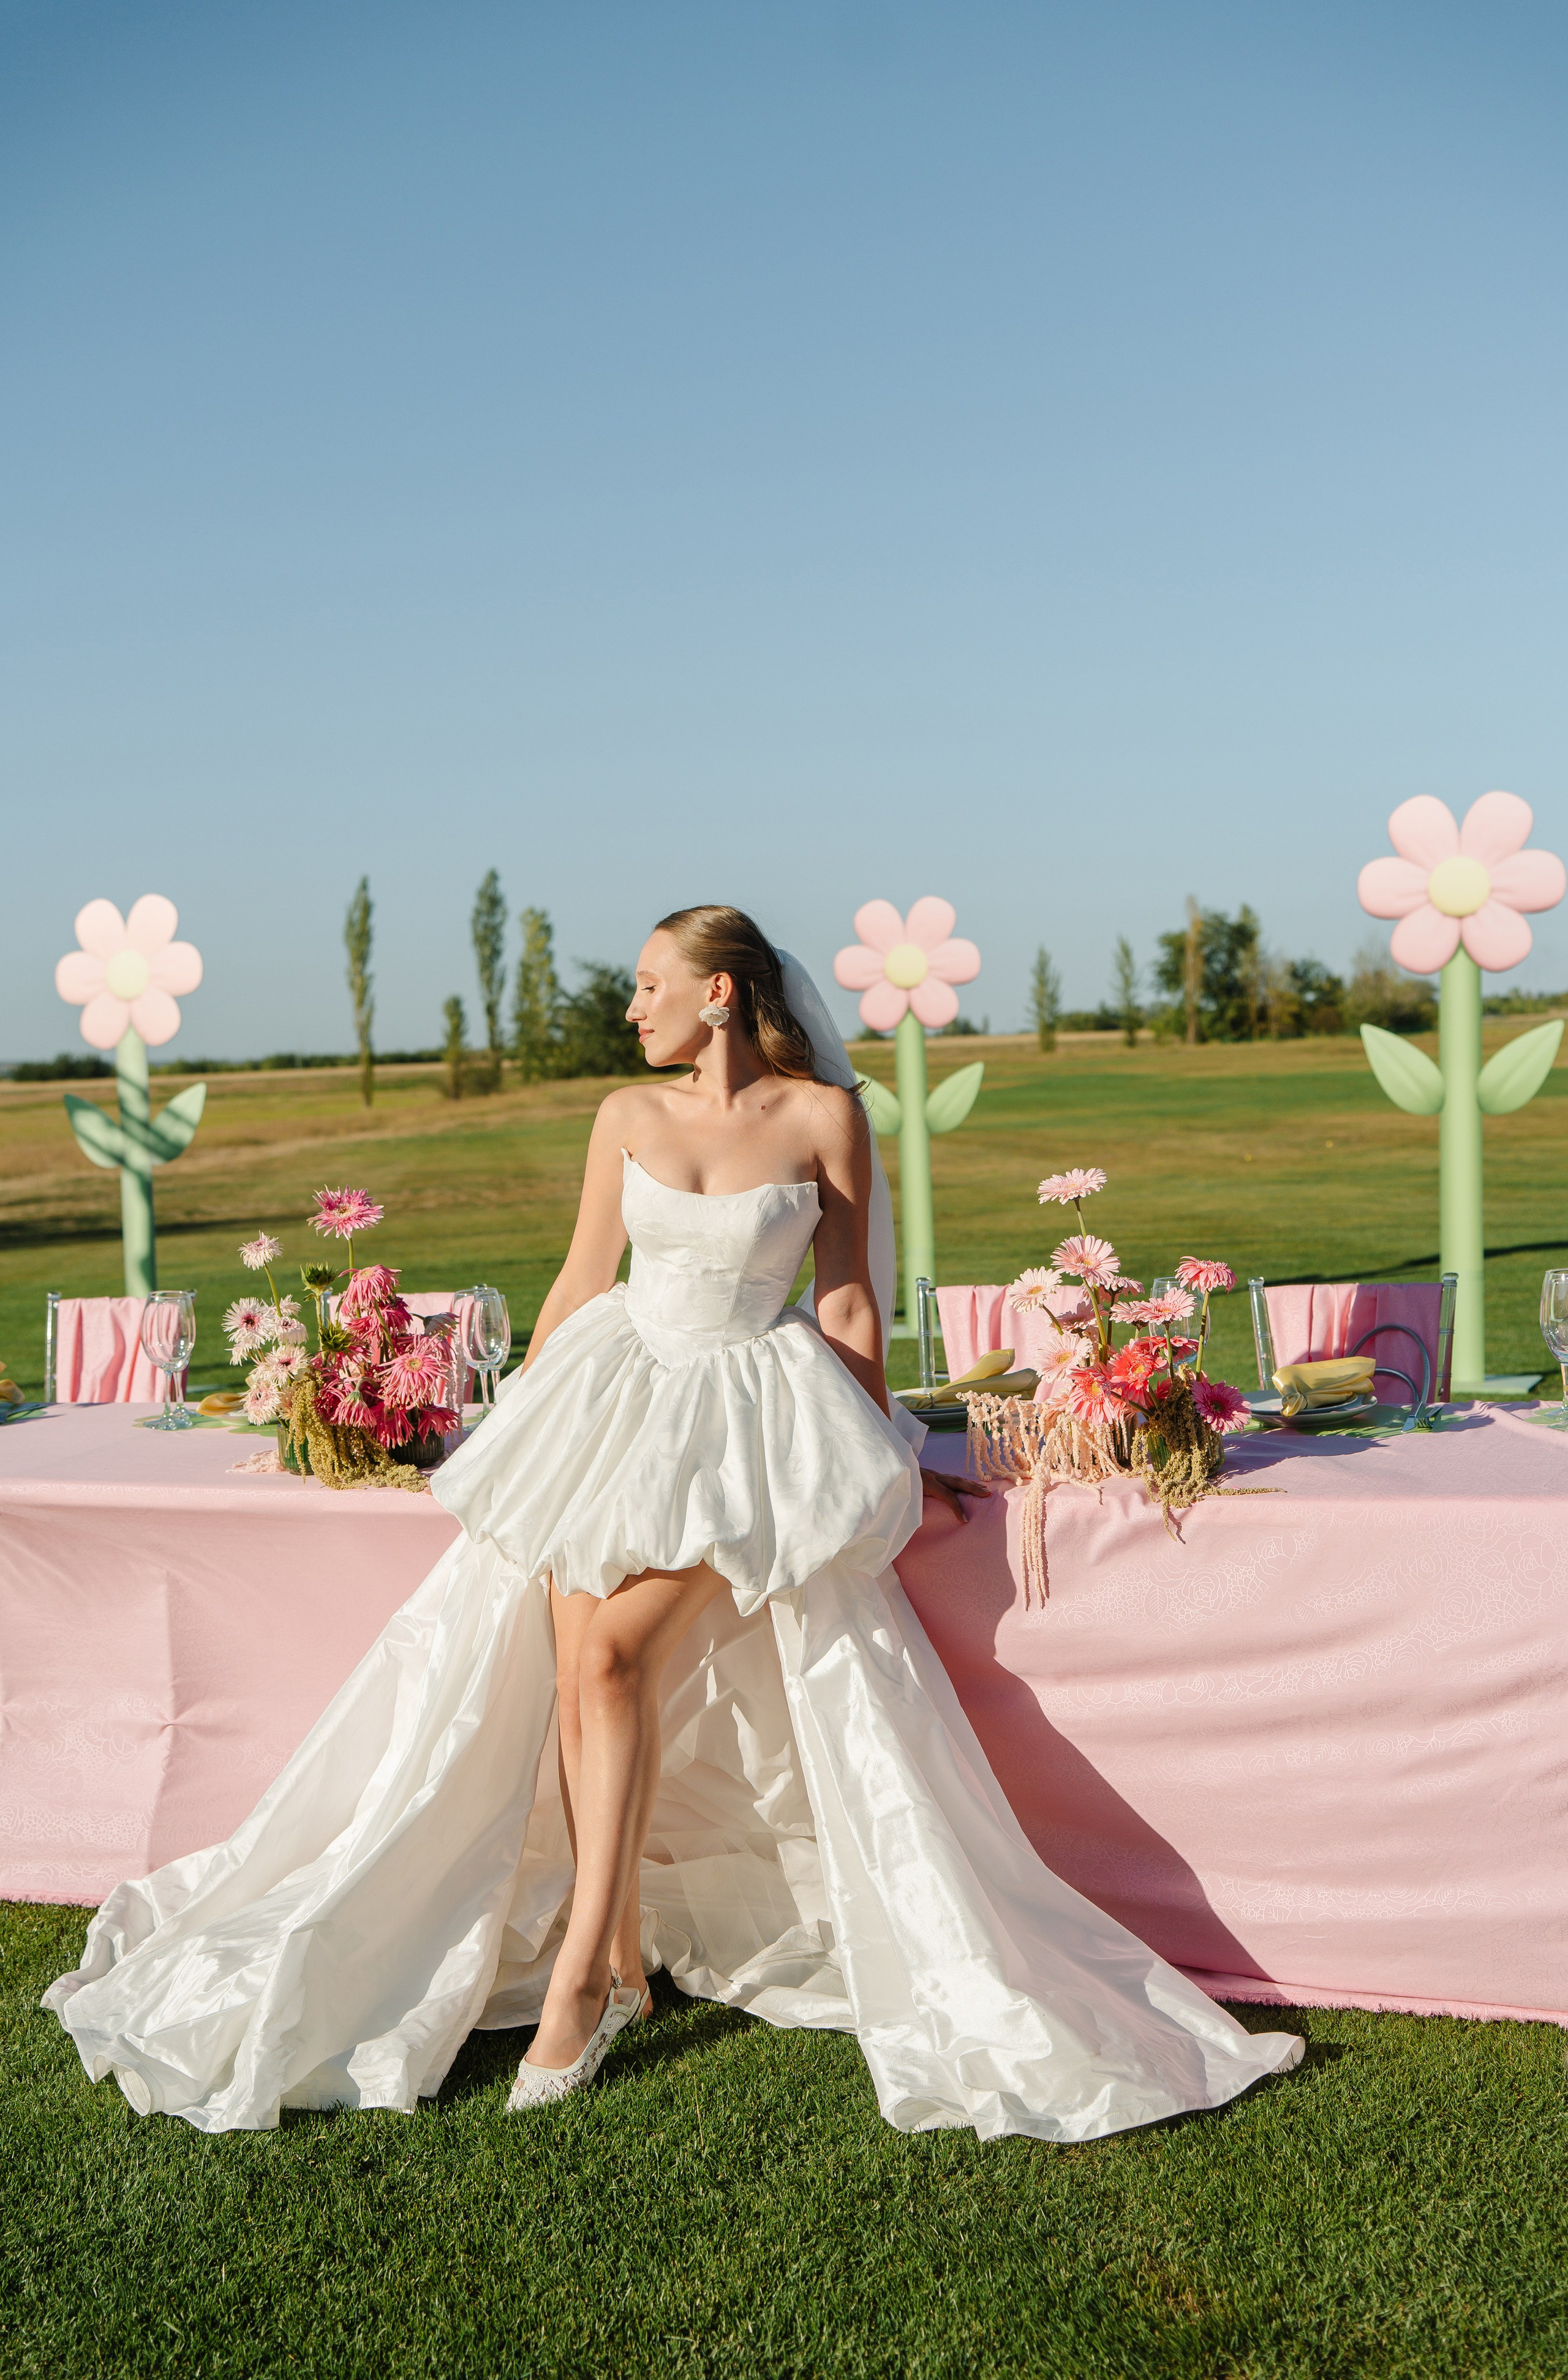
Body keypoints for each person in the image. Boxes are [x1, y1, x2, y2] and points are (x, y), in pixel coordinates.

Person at [44, 907, 1302, 2138]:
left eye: (650, 982)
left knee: (609, 1656)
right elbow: (583, 1275)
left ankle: (584, 1977)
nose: (628, 1003)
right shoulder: (623, 1115)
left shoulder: (824, 1116)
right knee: (584, 1672)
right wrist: (512, 1432)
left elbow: (850, 1294)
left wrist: (882, 1446)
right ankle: (629, 1956)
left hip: (756, 1421)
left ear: (719, 992)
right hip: (612, 1399)